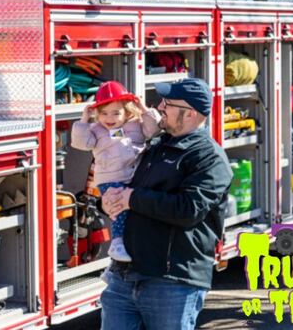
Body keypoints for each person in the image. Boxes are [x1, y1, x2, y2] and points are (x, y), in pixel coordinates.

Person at [100, 78, 233, 330]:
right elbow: (128, 187)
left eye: (168, 103)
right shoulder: (156, 145)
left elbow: (188, 209)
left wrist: (131, 199)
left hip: (171, 281)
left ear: (190, 113)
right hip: (124, 277)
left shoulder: (209, 158)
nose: (160, 107)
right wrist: (107, 202)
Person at [71, 81, 161, 262]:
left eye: (115, 113)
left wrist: (143, 108)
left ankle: (129, 250)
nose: (109, 118)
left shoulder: (136, 125)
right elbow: (82, 143)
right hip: (109, 178)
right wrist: (83, 120)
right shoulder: (96, 130)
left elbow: (155, 130)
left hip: (134, 177)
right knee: (119, 208)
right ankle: (117, 244)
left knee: (135, 210)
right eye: (103, 113)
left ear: (127, 111)